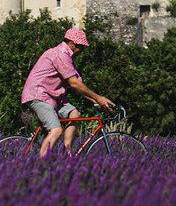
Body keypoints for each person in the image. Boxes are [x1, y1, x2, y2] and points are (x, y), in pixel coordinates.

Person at [20, 26, 114, 157]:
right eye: (81, 47)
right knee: (56, 130)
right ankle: (40, 168)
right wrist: (99, 98)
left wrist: (100, 102)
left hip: (53, 96)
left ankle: (68, 154)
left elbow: (80, 86)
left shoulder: (68, 59)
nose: (82, 50)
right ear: (71, 44)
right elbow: (74, 84)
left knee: (74, 113)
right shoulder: (60, 54)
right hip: (39, 95)